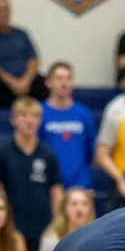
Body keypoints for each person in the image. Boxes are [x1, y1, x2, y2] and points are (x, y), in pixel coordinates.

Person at [0, 97, 63, 251]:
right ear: (14, 120)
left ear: (39, 121)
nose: (29, 121)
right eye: (23, 116)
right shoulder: (0, 153)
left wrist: (57, 225)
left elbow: (56, 191)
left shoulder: (48, 154)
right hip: (12, 229)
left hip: (42, 228)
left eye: (34, 116)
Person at [0, 0, 47, 111]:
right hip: (2, 84)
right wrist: (13, 83)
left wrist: (25, 80)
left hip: (24, 82)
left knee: (43, 81)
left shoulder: (22, 34)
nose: (4, 13)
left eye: (6, 10)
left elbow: (33, 60)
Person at [41, 61, 96, 190]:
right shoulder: (40, 113)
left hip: (81, 184)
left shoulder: (84, 114)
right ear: (48, 82)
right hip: (50, 185)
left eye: (68, 78)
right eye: (59, 78)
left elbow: (90, 150)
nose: (64, 83)